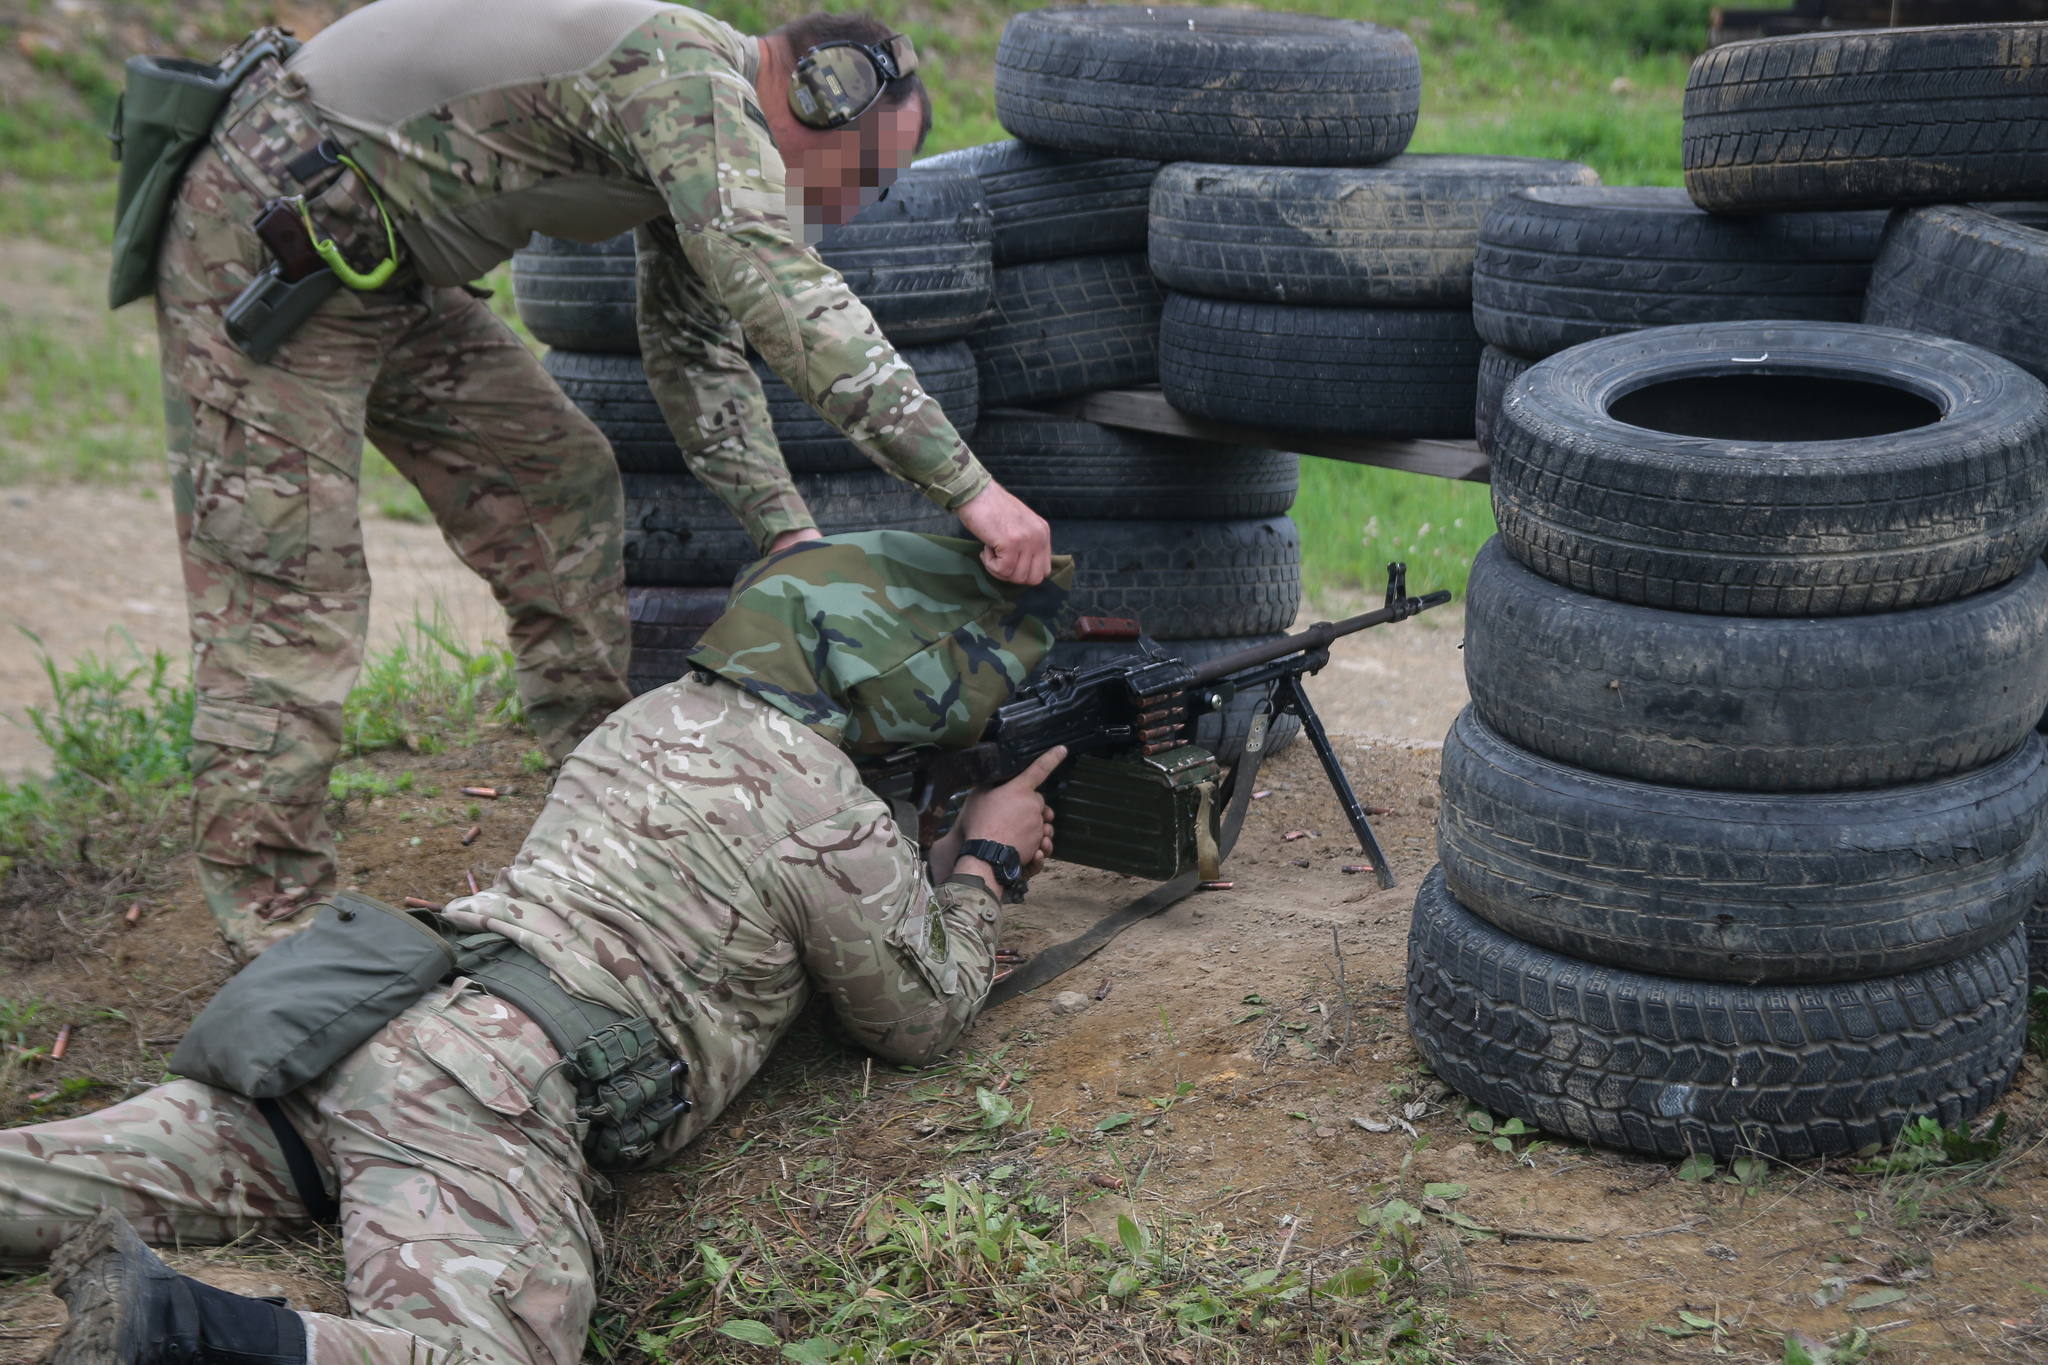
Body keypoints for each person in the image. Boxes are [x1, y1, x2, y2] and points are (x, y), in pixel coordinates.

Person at [4, 531, 1071, 1365]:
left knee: (38, 1178)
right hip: (487, 1101)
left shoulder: (646, 717)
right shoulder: (828, 815)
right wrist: (983, 868)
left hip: (366, 1025)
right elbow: (918, 1018)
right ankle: (180, 1335)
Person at [147, 0, 1053, 956]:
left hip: (377, 266)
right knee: (291, 584)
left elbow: (695, 349)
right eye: (867, 173)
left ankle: (597, 793)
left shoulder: (695, 135)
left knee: (558, 482)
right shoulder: (687, 76)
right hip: (262, 232)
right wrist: (969, 490)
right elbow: (781, 290)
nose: (856, 206)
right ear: (820, 99)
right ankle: (275, 927)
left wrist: (786, 533)